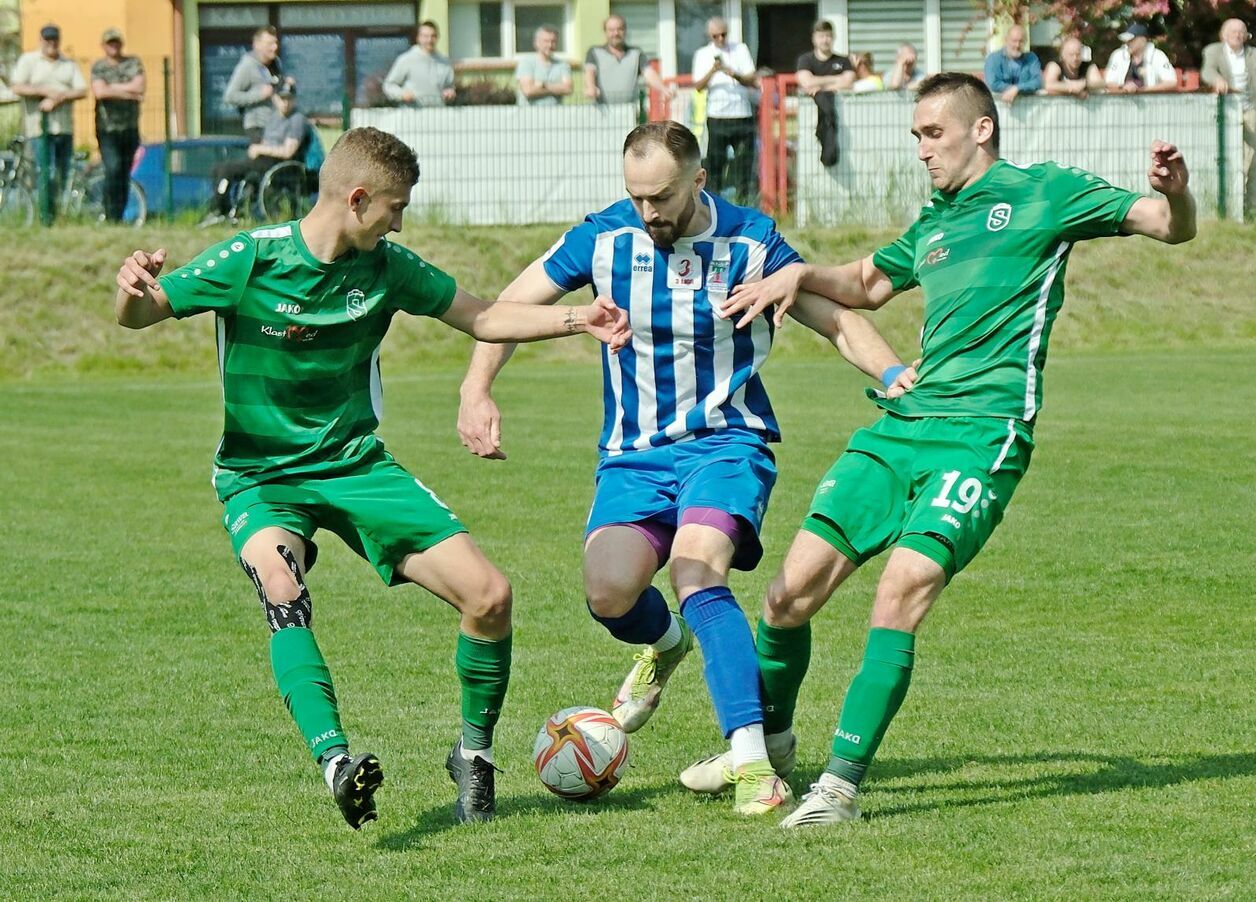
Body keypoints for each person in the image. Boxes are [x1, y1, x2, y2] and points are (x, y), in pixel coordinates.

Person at [697, 71, 1196, 828]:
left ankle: (838, 788)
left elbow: (1168, 226)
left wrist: (1177, 190)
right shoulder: (934, 220)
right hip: (902, 425)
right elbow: (865, 283)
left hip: (984, 435)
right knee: (785, 596)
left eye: (933, 133)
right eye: (917, 136)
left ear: (981, 128)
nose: (922, 149)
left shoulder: (1046, 192)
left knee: (900, 591)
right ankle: (769, 748)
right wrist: (796, 273)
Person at [113, 126, 630, 829]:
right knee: (282, 587)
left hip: (355, 465)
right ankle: (336, 764)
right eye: (395, 207)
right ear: (356, 199)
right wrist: (130, 290)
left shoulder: (386, 267)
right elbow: (142, 314)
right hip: (261, 478)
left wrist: (579, 317)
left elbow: (482, 316)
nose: (399, 220)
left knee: (491, 595)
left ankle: (473, 758)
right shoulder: (250, 259)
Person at [455, 120, 914, 817]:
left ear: (699, 180)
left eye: (662, 196)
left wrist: (891, 371)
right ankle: (665, 644)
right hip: (632, 456)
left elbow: (835, 316)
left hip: (726, 443)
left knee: (698, 570)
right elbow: (508, 308)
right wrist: (476, 387)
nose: (649, 212)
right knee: (608, 594)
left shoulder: (751, 242)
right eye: (637, 196)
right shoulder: (603, 236)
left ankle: (753, 762)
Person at [201, 81, 307, 226]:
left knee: (227, 170)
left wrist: (260, 149)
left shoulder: (297, 120)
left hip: (277, 164)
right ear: (275, 98)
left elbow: (288, 151)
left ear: (294, 99)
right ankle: (221, 207)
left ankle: (221, 210)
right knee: (218, 168)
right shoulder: (274, 117)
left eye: (289, 98)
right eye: (282, 98)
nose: (285, 103)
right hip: (261, 159)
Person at [10, 24, 86, 217]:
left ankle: (62, 214)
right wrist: (44, 91)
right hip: (39, 129)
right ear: (41, 40)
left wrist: (58, 97)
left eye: (55, 39)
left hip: (64, 128)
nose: (51, 43)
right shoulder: (29, 61)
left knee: (64, 173)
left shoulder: (68, 64)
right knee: (47, 172)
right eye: (48, 39)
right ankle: (47, 215)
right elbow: (17, 86)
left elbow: (81, 90)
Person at [692, 17, 758, 205]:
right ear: (709, 36)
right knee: (715, 165)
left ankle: (743, 203)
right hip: (717, 116)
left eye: (723, 34)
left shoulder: (740, 49)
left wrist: (733, 73)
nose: (720, 38)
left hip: (742, 114)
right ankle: (713, 205)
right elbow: (698, 86)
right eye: (716, 35)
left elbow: (751, 79)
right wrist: (713, 70)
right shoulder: (703, 54)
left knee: (744, 165)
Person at [1201, 18, 1256, 215]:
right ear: (1224, 35)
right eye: (1234, 31)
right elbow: (1207, 71)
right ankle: (1231, 207)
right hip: (1227, 113)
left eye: (1242, 31)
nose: (1238, 34)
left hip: (1251, 110)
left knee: (1255, 160)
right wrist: (1217, 80)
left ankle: (1253, 207)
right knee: (1231, 160)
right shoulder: (1213, 51)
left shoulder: (1255, 55)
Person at [91, 28, 145, 223]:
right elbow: (99, 92)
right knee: (112, 168)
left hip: (130, 128)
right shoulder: (99, 67)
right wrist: (128, 92)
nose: (113, 46)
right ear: (104, 46)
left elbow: (140, 87)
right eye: (109, 43)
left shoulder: (133, 63)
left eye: (116, 42)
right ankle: (110, 213)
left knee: (124, 172)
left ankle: (118, 216)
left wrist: (112, 88)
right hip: (107, 129)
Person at [795, 20, 855, 167]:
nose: (825, 40)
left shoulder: (843, 60)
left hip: (843, 115)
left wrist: (820, 85)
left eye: (828, 36)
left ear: (833, 37)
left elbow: (848, 82)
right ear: (814, 38)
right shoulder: (805, 59)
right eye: (821, 36)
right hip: (812, 118)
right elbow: (806, 82)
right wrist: (835, 80)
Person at [583, 14, 671, 105]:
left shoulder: (636, 53)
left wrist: (663, 89)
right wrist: (591, 87)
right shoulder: (594, 52)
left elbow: (649, 73)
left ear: (625, 31)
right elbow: (590, 72)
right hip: (601, 110)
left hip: (628, 110)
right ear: (605, 32)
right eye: (611, 30)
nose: (616, 33)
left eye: (620, 29)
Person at [224, 26, 284, 142]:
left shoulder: (276, 63)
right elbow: (229, 96)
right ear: (257, 44)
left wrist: (285, 83)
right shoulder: (247, 66)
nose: (275, 47)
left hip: (276, 125)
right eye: (269, 44)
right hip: (257, 127)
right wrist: (259, 95)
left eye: (275, 43)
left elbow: (275, 87)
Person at [383, 20, 455, 107]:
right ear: (418, 38)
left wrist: (450, 92)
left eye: (433, 36)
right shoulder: (406, 59)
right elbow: (388, 85)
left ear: (438, 37)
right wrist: (401, 94)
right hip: (412, 115)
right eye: (425, 36)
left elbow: (450, 86)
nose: (429, 40)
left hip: (437, 115)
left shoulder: (444, 62)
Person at [1103, 23, 1177, 94]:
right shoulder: (1118, 55)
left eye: (1131, 40)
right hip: (1121, 103)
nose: (1127, 43)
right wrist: (1123, 88)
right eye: (1126, 40)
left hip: (1150, 103)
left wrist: (1142, 91)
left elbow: (1171, 83)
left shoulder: (1158, 56)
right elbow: (1108, 82)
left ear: (1142, 39)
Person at [983, 25, 1042, 102]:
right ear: (1006, 40)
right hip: (1000, 106)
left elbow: (1037, 82)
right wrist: (1016, 89)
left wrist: (1017, 88)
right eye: (1014, 41)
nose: (1017, 45)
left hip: (1027, 107)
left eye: (1021, 41)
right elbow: (994, 84)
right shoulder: (993, 59)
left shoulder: (1031, 59)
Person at [515, 25, 572, 105]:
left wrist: (544, 85)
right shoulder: (526, 63)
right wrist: (557, 88)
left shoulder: (562, 65)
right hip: (530, 114)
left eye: (553, 41)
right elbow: (528, 91)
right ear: (536, 43)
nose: (550, 45)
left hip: (556, 114)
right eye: (546, 41)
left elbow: (568, 89)